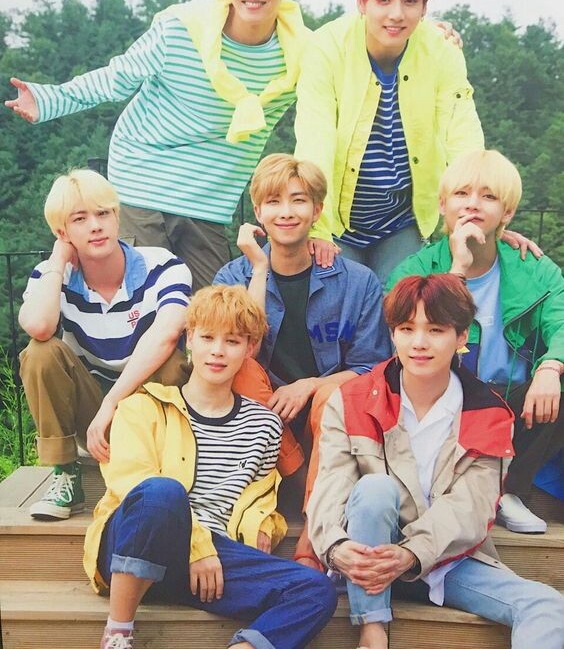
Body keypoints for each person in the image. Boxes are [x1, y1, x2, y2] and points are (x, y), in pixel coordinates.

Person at [5, 0, 307, 291]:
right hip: (142, 181)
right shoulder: (182, 30)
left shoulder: (300, 57)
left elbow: (322, 117)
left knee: (214, 308)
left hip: (208, 198)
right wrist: (48, 99)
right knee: (146, 301)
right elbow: (116, 78)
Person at [307, 274, 564, 649]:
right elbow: (331, 486)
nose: (419, 343)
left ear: (461, 337)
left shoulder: (488, 413)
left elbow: (470, 507)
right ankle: (372, 629)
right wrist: (335, 547)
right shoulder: (352, 399)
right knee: (375, 489)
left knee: (546, 606)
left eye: (436, 330)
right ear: (393, 333)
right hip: (364, 560)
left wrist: (411, 554)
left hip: (445, 560)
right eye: (406, 329)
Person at [84, 284, 337, 649]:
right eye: (207, 338)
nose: (218, 351)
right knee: (162, 491)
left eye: (232, 341)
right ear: (190, 339)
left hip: (212, 565)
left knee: (316, 590)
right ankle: (118, 633)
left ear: (250, 348)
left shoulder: (264, 425)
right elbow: (131, 486)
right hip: (136, 547)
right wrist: (197, 546)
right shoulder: (142, 407)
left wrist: (264, 525)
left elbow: (261, 498)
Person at [294, 0, 537, 284]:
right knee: (339, 301)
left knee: (403, 302)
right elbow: (314, 137)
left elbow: (462, 135)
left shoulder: (441, 50)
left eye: (410, 1)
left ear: (424, 7)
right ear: (362, 1)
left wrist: (486, 220)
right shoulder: (326, 47)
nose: (397, 14)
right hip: (335, 220)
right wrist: (315, 227)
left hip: (401, 221)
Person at [214, 154, 391, 559]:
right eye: (274, 202)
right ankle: (295, 488)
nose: (286, 212)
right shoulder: (233, 277)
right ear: (258, 211)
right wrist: (259, 269)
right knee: (239, 372)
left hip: (331, 420)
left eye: (298, 200)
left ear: (317, 209)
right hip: (264, 416)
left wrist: (311, 385)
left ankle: (313, 532)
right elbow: (235, 352)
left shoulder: (358, 282)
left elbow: (372, 366)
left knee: (331, 395)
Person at [387, 149, 564, 533]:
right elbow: (410, 341)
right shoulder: (415, 269)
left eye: (488, 196)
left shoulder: (533, 268)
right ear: (442, 205)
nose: (472, 204)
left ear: (507, 212)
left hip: (512, 401)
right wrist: (458, 270)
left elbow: (560, 320)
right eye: (461, 194)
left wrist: (550, 367)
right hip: (442, 398)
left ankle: (509, 492)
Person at [18, 169, 191, 520]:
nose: (96, 226)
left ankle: (169, 464)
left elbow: (168, 332)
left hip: (149, 410)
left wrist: (113, 403)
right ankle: (65, 474)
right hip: (91, 414)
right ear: (62, 233)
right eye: (79, 219)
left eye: (103, 213)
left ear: (116, 216)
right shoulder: (50, 275)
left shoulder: (161, 265)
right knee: (40, 352)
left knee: (173, 361)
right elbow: (39, 326)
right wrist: (57, 261)